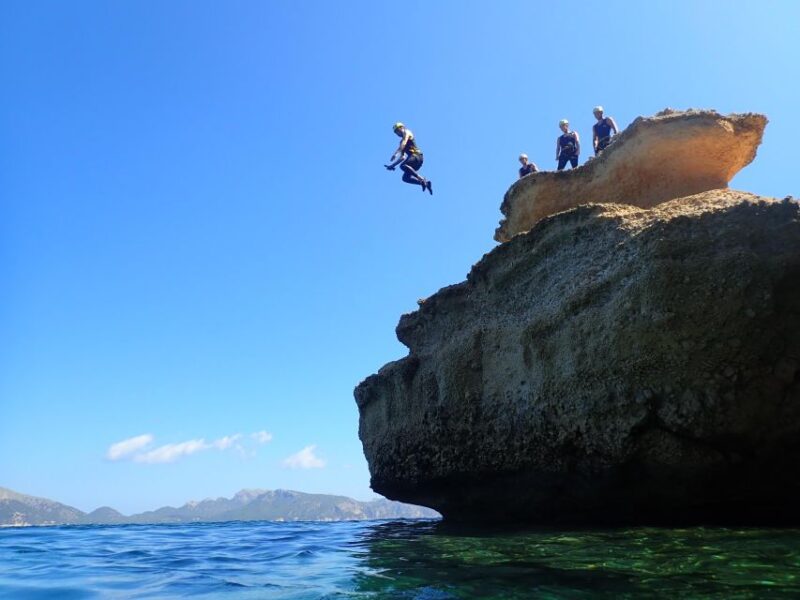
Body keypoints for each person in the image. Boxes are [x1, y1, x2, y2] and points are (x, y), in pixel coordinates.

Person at [385, 122, 432, 195]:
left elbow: (404, 142)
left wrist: (396, 153)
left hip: (417, 156)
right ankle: (425, 183)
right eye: (396, 133)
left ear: (402, 128)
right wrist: (392, 165)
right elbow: (402, 157)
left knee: (403, 166)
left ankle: (421, 178)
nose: (397, 134)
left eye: (398, 131)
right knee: (405, 178)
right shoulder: (401, 142)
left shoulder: (407, 132)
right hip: (413, 164)